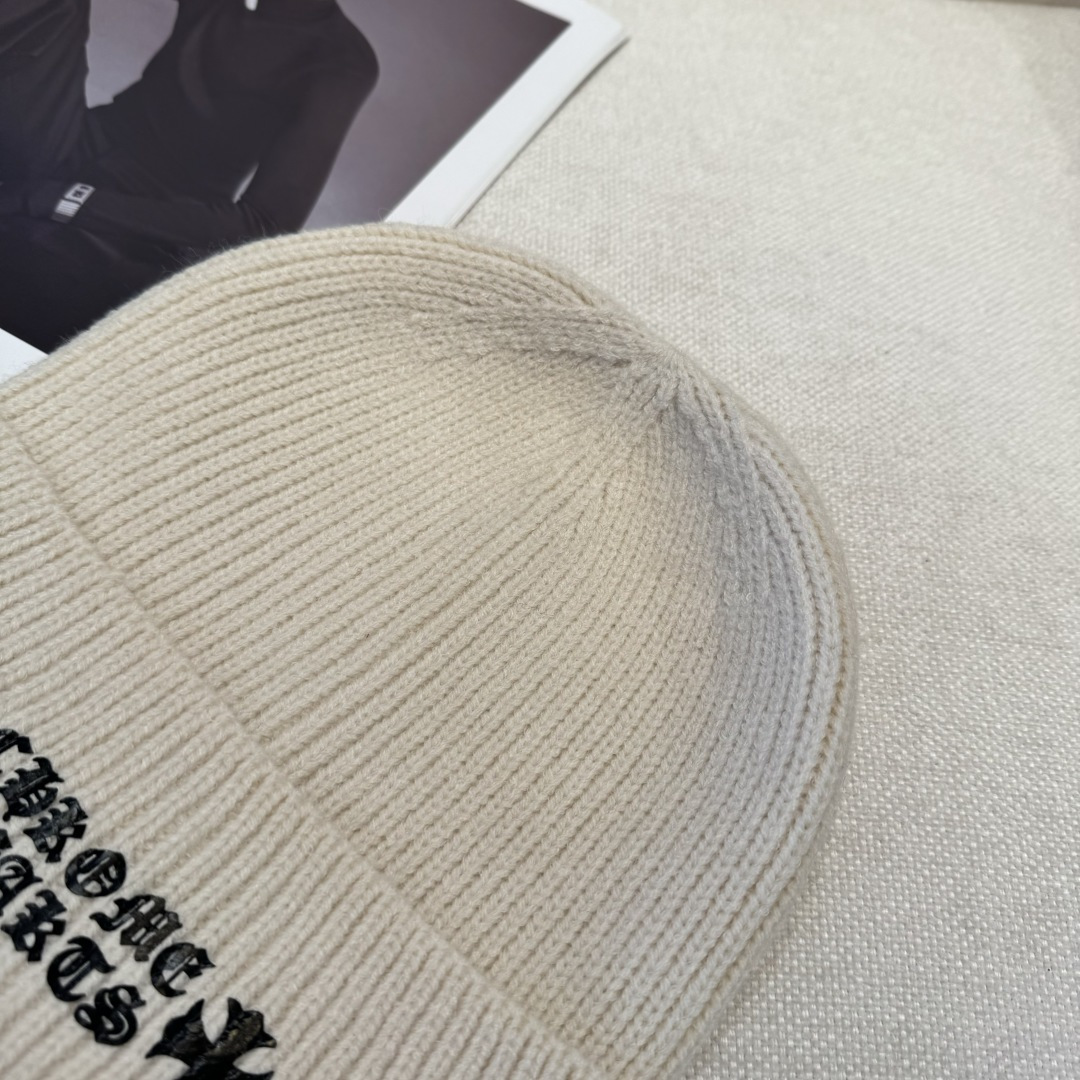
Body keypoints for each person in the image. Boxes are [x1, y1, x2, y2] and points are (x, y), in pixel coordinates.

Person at [0, 0, 378, 351]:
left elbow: (263, 224)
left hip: (149, 207)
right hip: (69, 139)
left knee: (67, 281)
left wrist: (63, 200)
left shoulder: (341, 58)